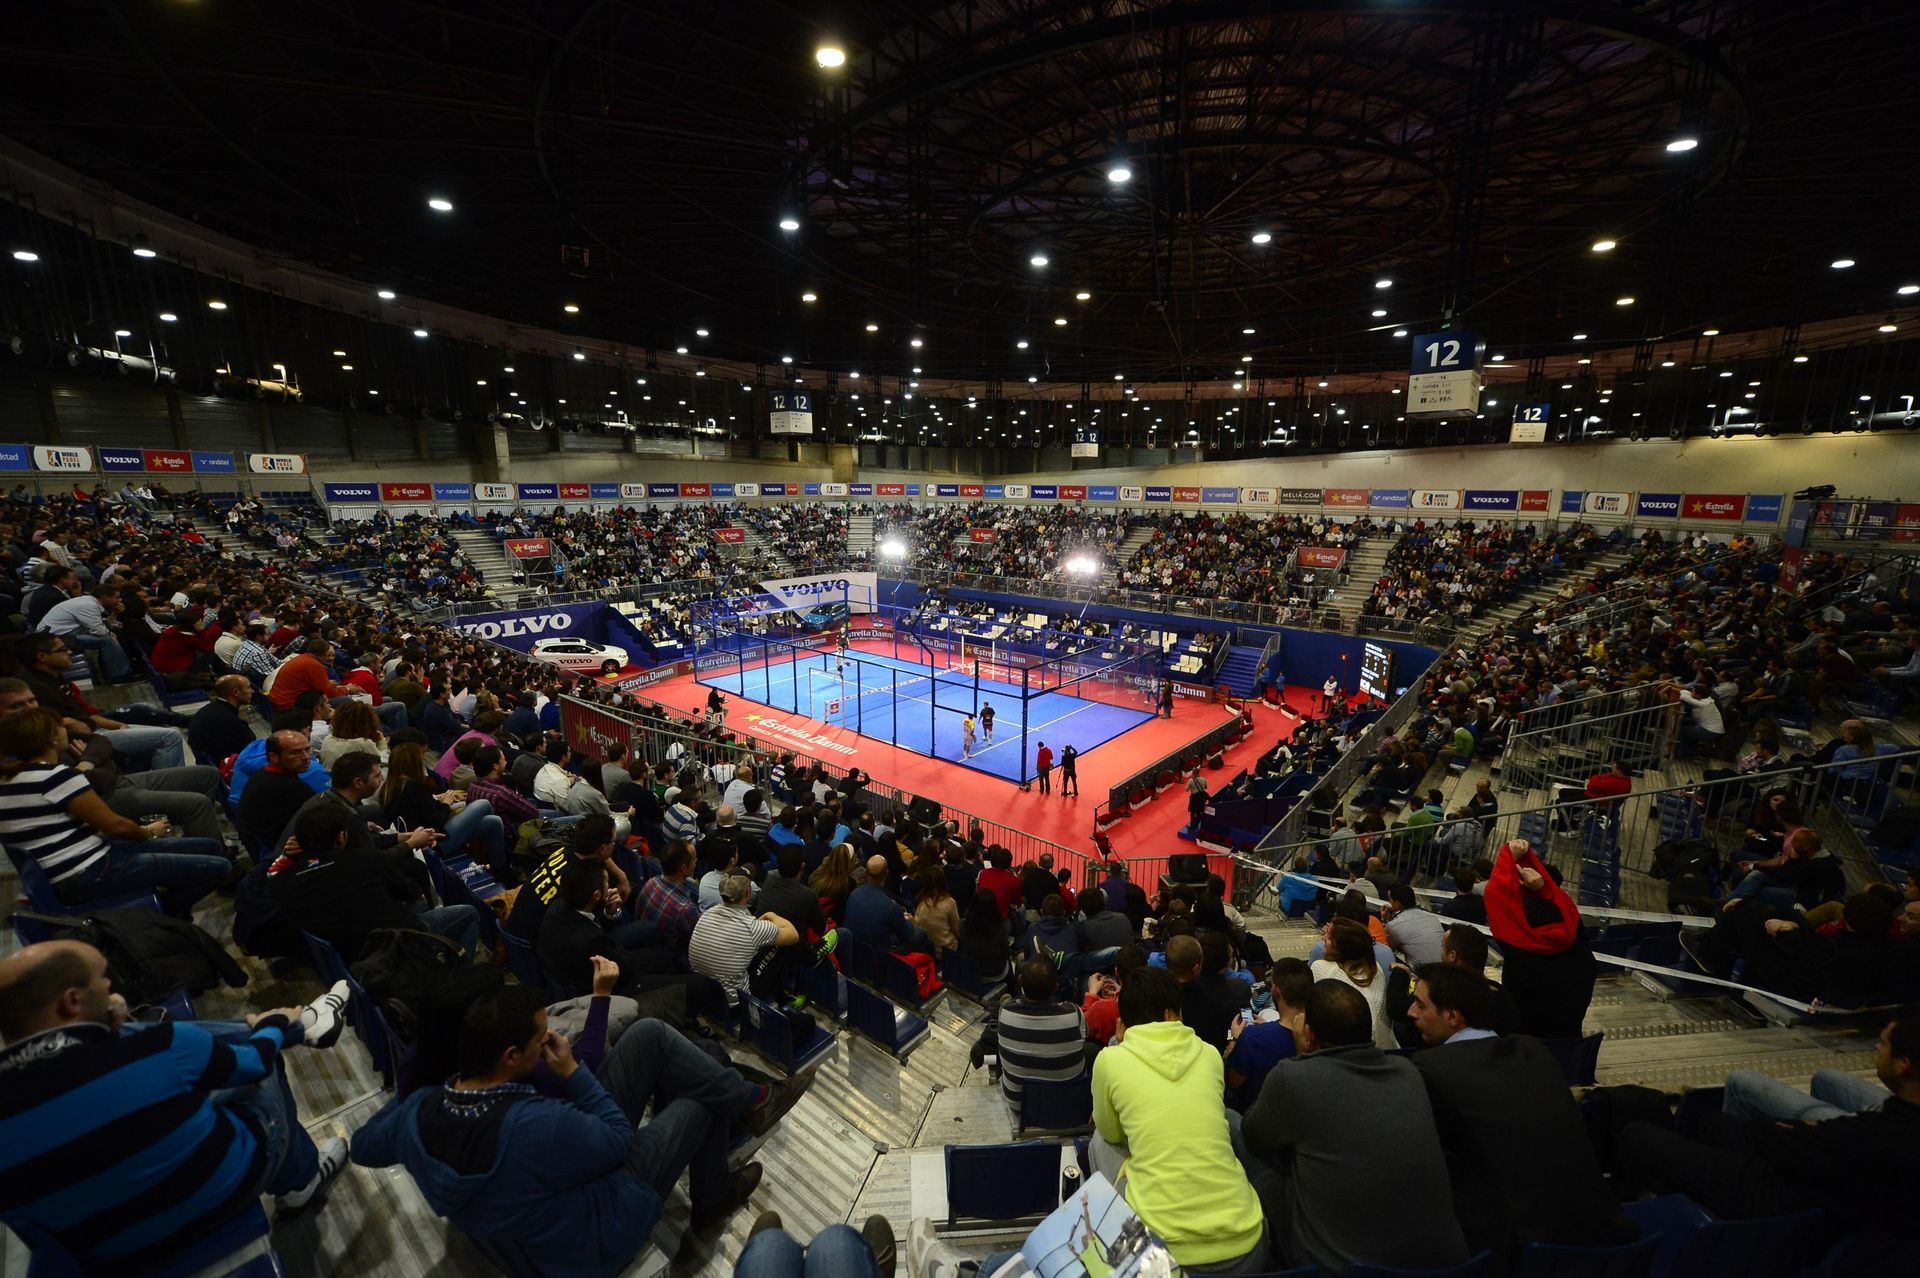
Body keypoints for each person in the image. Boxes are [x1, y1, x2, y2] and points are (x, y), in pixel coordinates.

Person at [351, 985, 807, 1271]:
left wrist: (422, 1098)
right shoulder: (532, 1125)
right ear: (510, 1056)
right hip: (590, 1235)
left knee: (647, 1034)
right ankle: (712, 1199)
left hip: (545, 1197)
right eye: (542, 1039)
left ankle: (753, 1103)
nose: (555, 1042)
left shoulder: (421, 1111)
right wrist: (572, 1072)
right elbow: (616, 1141)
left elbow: (363, 1146)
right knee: (699, 1104)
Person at [0, 941, 352, 1267]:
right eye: (103, 979)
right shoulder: (154, 1047)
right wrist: (274, 1024)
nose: (112, 988)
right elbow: (254, 1064)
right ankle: (299, 1181)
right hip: (213, 1199)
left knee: (185, 1048)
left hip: (105, 1255)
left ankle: (295, 1025)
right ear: (71, 1002)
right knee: (261, 1064)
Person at [1238, 980, 1468, 1274]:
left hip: (1341, 1267)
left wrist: (1300, 1058)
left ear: (1307, 1034)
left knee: (1239, 1131)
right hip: (1444, 1264)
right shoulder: (1407, 1071)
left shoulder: (1293, 1078)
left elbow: (1255, 1135)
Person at [1410, 963, 1631, 1265]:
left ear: (1452, 1016)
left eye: (1420, 1004)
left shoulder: (1432, 1067)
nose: (1411, 1012)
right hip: (1604, 1236)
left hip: (1522, 1251)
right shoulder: (1535, 1050)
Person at [1611, 1017, 1920, 1234]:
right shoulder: (1887, 1125)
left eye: (1883, 1044)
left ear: (1904, 1065)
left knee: (1636, 1134)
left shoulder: (1873, 1137)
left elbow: (1776, 1142)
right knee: (1714, 1122)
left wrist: (1793, 1130)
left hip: (1789, 1201)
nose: (1876, 1048)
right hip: (1821, 1181)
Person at [1090, 967, 1268, 1273]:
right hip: (1248, 1249)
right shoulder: (1210, 1054)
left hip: (1165, 1256)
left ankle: (1107, 1243)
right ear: (1175, 1014)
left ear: (1124, 1021)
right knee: (1225, 1118)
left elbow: (1110, 1131)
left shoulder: (1111, 1060)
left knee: (1098, 1142)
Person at [0, 706, 231, 917]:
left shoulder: (11, 780)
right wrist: (148, 833)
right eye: (61, 727)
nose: (67, 731)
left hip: (76, 866)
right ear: (51, 738)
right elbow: (115, 826)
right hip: (90, 871)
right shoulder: (56, 777)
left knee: (210, 847)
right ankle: (165, 915)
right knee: (219, 867)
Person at [272, 801, 482, 961]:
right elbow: (411, 892)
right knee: (468, 913)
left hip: (344, 956)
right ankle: (456, 975)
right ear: (341, 837)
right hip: (395, 946)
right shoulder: (366, 860)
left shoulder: (283, 880)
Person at [1483, 839, 1596, 1040]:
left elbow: (1496, 896)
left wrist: (1506, 855)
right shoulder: (1577, 945)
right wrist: (1544, 890)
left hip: (1528, 1051)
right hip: (1568, 1046)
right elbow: (1563, 903)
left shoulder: (1519, 949)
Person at [996, 953, 1088, 1112]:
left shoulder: (1005, 1011)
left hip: (1019, 1103)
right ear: (1056, 988)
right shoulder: (1074, 1013)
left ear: (1020, 982)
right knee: (1092, 1050)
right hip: (1067, 1104)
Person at [1223, 956, 1312, 1110]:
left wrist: (1233, 1039)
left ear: (1276, 991)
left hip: (1256, 1114)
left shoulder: (1251, 1038)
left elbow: (1233, 1081)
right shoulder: (1322, 1033)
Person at [1309, 918, 1395, 1048]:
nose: (1323, 939)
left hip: (1343, 1049)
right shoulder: (1375, 967)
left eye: (1329, 937)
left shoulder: (1321, 967)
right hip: (1385, 1048)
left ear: (1341, 947)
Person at [188, 673, 257, 764]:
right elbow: (252, 750)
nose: (252, 691)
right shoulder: (231, 722)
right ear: (236, 692)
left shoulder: (209, 710)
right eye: (248, 687)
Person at [1382, 881, 1447, 966]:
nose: (1388, 902)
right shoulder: (1432, 917)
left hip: (1420, 975)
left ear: (1397, 904)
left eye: (1389, 899)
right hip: (1446, 969)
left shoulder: (1393, 925)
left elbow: (1387, 950)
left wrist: (1385, 921)